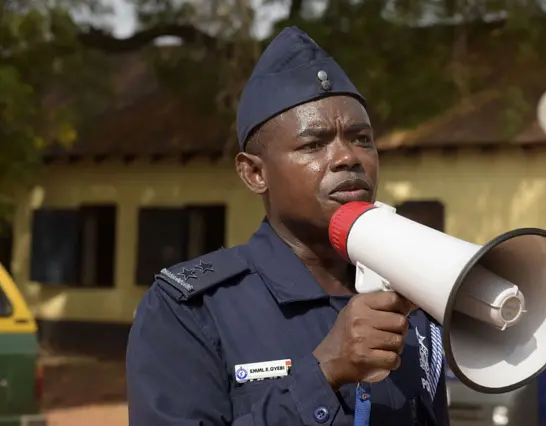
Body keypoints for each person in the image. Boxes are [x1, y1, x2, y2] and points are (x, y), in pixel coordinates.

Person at [126, 26, 450, 426]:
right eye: (314, 145)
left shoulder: (411, 297)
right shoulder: (190, 311)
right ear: (254, 174)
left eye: (361, 138)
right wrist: (324, 374)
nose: (347, 158)